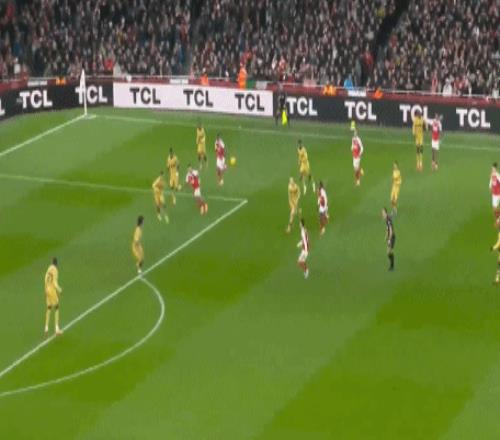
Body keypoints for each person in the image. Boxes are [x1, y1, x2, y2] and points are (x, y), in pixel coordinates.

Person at [44, 257, 63, 336]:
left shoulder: (49, 268)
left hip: (46, 289)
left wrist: (45, 289)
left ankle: (46, 328)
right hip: (52, 290)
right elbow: (54, 282)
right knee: (57, 307)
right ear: (56, 264)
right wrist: (59, 289)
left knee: (49, 308)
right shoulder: (55, 270)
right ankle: (57, 329)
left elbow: (45, 278)